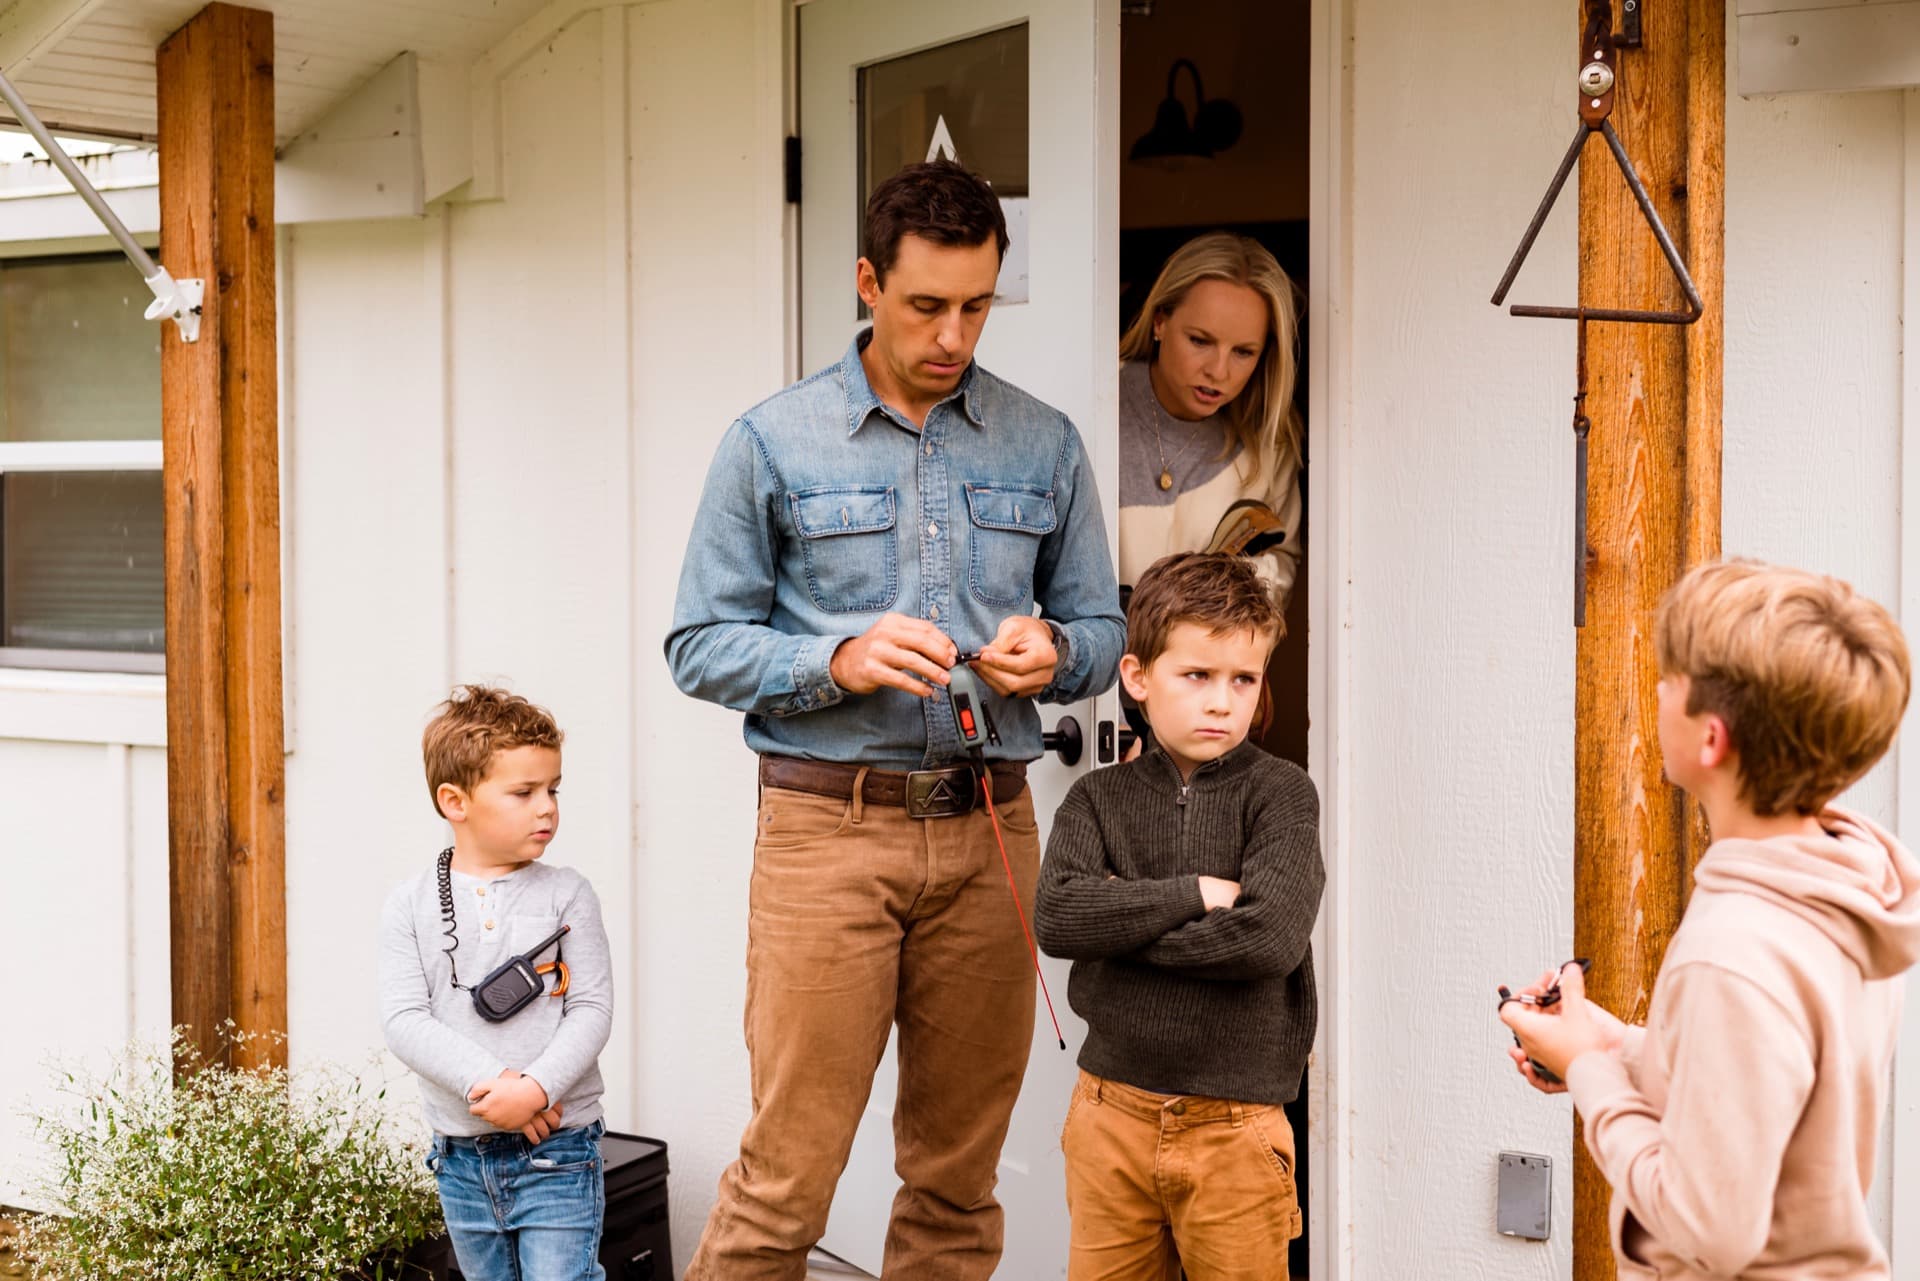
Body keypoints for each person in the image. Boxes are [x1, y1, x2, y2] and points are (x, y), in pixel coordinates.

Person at [665, 159, 1125, 1280]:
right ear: (868, 282)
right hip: (829, 835)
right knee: (787, 1178)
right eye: (926, 305)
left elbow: (1104, 633)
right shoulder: (769, 442)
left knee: (959, 1185)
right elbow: (697, 645)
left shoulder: (1045, 442)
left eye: (976, 305)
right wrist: (839, 657)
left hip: (991, 836)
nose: (953, 334)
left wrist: (1056, 654)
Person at [1501, 560, 1920, 1280]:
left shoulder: (1732, 949)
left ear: (1711, 740)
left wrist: (1591, 1071)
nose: (1657, 688)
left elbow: (1711, 1230)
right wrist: (1619, 1045)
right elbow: (1769, 1090)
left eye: (1671, 679)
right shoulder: (1843, 886)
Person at [1034, 551, 1325, 1281]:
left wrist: (1119, 928)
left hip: (1237, 1129)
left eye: (1243, 679)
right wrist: (1194, 892)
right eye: (1196, 675)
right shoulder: (1095, 799)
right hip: (1109, 1116)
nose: (1222, 701)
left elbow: (1268, 938)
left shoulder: (1283, 795)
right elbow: (1060, 917)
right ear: (1137, 677)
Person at [380, 685, 614, 1281]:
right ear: (455, 801)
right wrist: (497, 1085)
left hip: (558, 1152)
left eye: (553, 789)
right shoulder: (409, 905)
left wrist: (536, 1089)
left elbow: (590, 1009)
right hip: (460, 1157)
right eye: (524, 792)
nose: (547, 808)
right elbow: (406, 1021)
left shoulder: (568, 894)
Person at [1118, 232, 1303, 607]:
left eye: (1243, 352)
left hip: (1211, 661)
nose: (1218, 371)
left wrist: (1208, 596)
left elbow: (1280, 567)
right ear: (1159, 322)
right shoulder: (1094, 403)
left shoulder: (1268, 440)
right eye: (1200, 341)